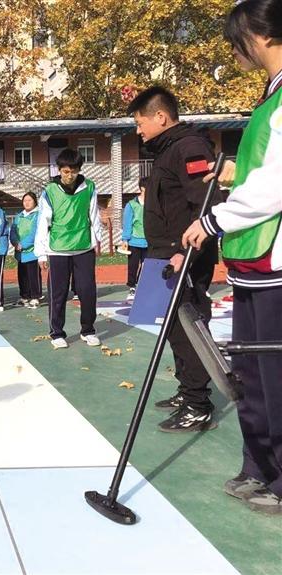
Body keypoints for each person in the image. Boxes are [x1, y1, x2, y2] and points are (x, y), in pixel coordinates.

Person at [182, 0, 282, 512]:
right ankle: (258, 465)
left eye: (236, 42)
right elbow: (260, 172)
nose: (235, 52)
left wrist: (212, 219)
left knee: (273, 374)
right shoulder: (269, 97)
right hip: (250, 258)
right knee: (248, 373)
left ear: (257, 36)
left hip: (273, 260)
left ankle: (279, 478)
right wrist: (231, 177)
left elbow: (275, 184)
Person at [127, 86, 219, 432]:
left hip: (182, 257)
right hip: (162, 253)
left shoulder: (189, 147)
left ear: (161, 117)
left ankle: (198, 405)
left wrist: (186, 253)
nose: (138, 130)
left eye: (140, 122)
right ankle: (187, 390)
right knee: (170, 329)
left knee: (188, 330)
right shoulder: (167, 150)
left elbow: (205, 204)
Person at [34, 148, 104, 350]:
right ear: (59, 170)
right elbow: (43, 222)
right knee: (58, 293)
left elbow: (94, 217)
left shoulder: (89, 187)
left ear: (79, 170)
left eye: (73, 171)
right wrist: (41, 253)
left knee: (87, 291)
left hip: (83, 248)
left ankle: (88, 330)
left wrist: (96, 241)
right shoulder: (49, 191)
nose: (69, 175)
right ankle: (57, 332)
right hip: (58, 250)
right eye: (65, 171)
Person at [11, 192, 41, 308]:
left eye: (29, 200)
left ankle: (35, 296)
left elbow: (35, 232)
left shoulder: (37, 215)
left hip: (32, 251)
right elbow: (13, 231)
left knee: (33, 275)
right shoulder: (19, 216)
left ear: (34, 201)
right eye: (25, 200)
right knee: (22, 275)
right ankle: (24, 296)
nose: (27, 203)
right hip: (20, 252)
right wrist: (15, 242)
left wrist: (23, 244)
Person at [120, 178, 149, 301]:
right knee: (133, 265)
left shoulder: (154, 204)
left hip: (149, 241)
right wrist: (125, 240)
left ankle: (141, 286)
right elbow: (127, 223)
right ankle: (132, 287)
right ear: (142, 188)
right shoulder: (131, 205)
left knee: (146, 265)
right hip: (134, 241)